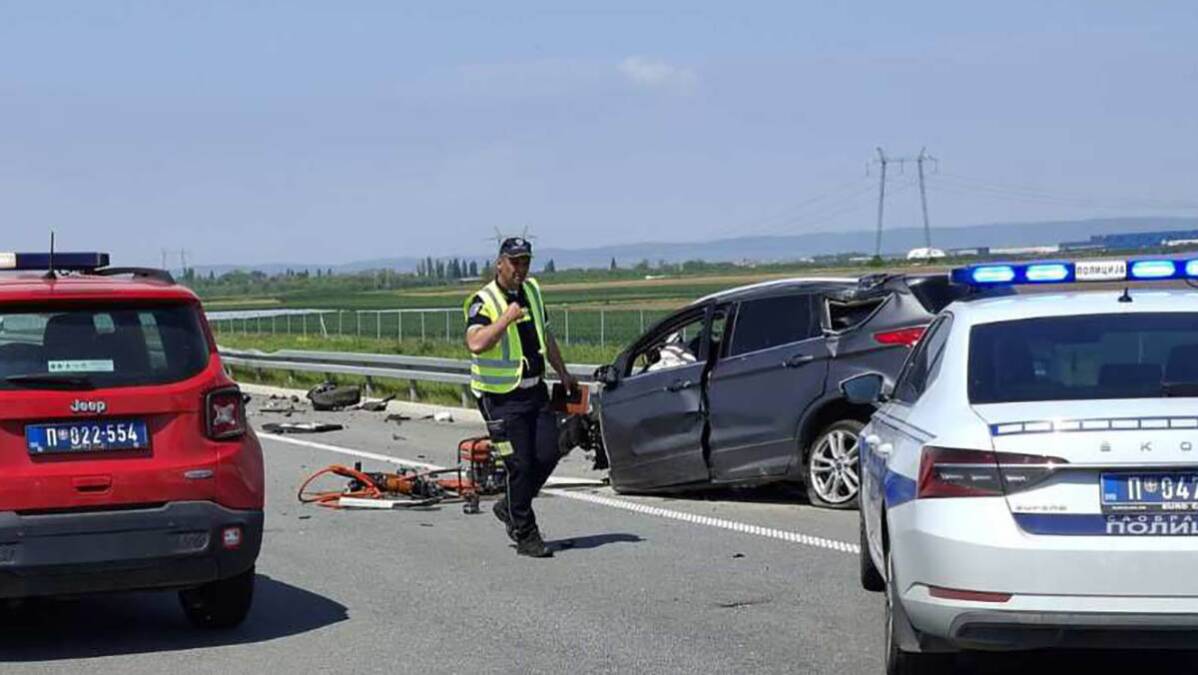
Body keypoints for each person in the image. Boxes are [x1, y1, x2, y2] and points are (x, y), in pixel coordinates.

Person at [464, 237, 578, 558]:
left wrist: (564, 372)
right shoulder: (483, 300)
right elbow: (475, 343)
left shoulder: (533, 291)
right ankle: (526, 532)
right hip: (500, 399)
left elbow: (546, 335)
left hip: (535, 390)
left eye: (525, 261)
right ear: (499, 263)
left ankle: (511, 506)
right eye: (514, 262)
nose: (520, 268)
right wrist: (505, 318)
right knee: (520, 464)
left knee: (549, 451)